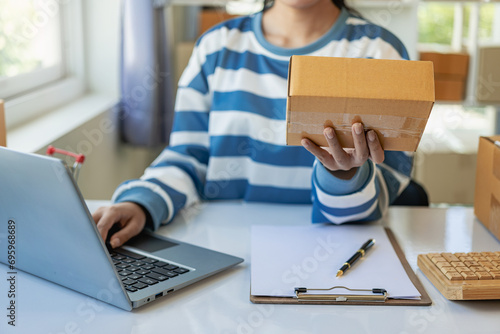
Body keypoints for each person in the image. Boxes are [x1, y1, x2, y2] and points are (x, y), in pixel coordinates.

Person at [93, 0, 414, 248]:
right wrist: (141, 203)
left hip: (333, 255)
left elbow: (385, 188)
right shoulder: (215, 49)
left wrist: (345, 176)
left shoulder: (380, 53)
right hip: (221, 256)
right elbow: (188, 157)